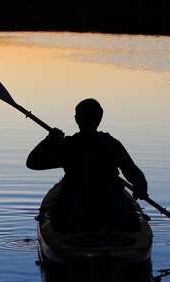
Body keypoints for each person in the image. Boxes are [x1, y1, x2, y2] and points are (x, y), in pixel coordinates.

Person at [26, 98, 148, 230]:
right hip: (109, 206)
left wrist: (49, 141)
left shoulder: (68, 146)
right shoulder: (111, 144)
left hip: (75, 208)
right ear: (100, 118)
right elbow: (133, 171)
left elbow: (33, 163)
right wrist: (141, 187)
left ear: (76, 119)